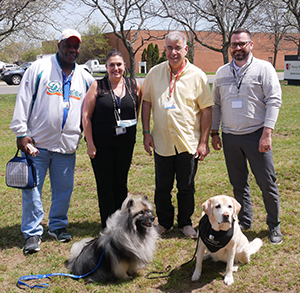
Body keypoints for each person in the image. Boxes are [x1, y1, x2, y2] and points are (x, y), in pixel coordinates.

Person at [10, 29, 95, 254]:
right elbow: (23, 99)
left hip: (66, 146)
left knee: (64, 189)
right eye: (68, 45)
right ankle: (32, 232)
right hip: (38, 143)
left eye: (76, 46)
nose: (72, 50)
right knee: (32, 189)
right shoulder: (39, 69)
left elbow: (91, 110)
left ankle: (57, 226)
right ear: (59, 45)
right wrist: (21, 132)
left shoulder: (84, 76)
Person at [211, 28, 282, 244]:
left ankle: (274, 225)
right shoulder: (222, 72)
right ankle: (244, 221)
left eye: (242, 43)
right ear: (230, 46)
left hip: (256, 135)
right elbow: (216, 104)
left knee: (266, 182)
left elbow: (274, 100)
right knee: (238, 183)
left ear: (251, 44)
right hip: (231, 136)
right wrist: (215, 132)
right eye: (234, 44)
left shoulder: (264, 68)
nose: (238, 48)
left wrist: (267, 133)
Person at [142, 31, 214, 239]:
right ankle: (163, 222)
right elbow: (146, 103)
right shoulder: (155, 73)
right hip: (162, 142)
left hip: (188, 143)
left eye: (178, 48)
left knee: (186, 187)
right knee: (162, 187)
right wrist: (146, 133)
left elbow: (206, 109)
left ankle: (185, 223)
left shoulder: (197, 75)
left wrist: (203, 142)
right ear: (165, 49)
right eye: (169, 48)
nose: (173, 52)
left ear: (186, 50)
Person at [81, 49, 142, 229]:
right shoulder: (97, 86)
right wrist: (90, 144)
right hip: (101, 145)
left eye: (119, 64)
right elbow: (86, 116)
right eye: (112, 65)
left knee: (121, 183)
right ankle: (108, 225)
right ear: (106, 67)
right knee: (105, 184)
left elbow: (136, 110)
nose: (116, 68)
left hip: (125, 144)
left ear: (125, 66)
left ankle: (121, 222)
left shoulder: (133, 85)